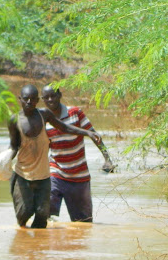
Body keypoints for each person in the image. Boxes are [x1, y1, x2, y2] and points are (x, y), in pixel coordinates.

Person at [8, 84, 101, 229]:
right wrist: (4, 161)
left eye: (33, 99)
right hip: (31, 172)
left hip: (52, 174)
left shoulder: (45, 115)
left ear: (37, 100)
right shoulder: (14, 120)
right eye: (26, 99)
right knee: (26, 212)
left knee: (44, 217)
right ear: (20, 99)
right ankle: (24, 242)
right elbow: (13, 145)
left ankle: (39, 247)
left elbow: (64, 127)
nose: (29, 102)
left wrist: (87, 133)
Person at [41, 84, 114, 223]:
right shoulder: (43, 120)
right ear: (43, 100)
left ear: (60, 95)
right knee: (46, 207)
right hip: (56, 170)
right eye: (46, 98)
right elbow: (43, 147)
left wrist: (107, 159)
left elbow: (94, 135)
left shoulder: (75, 113)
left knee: (83, 223)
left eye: (53, 96)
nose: (50, 100)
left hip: (79, 174)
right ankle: (49, 239)